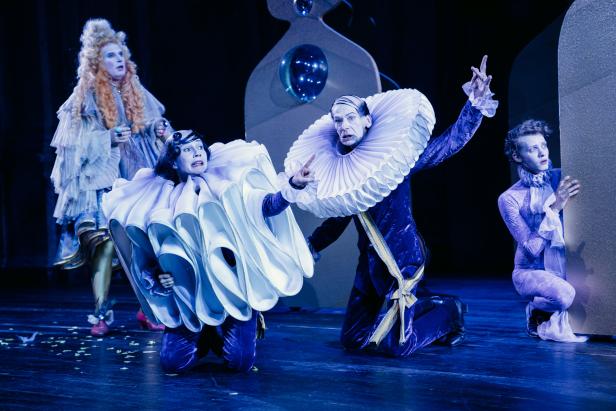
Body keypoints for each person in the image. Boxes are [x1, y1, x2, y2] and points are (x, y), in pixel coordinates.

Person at [287, 55, 497, 356]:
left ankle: (450, 312)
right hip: (369, 264)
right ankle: (422, 305)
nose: (344, 126)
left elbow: (446, 145)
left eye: (351, 118)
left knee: (399, 347)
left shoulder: (393, 162)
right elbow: (338, 218)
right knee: (352, 341)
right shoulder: (343, 173)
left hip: (402, 261)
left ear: (366, 120)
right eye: (339, 120)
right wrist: (311, 246)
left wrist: (474, 105)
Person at [103, 130, 315, 372]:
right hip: (189, 296)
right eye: (188, 150)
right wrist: (157, 276)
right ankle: (205, 334)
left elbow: (265, 206)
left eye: (199, 147)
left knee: (240, 363)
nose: (197, 153)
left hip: (233, 289)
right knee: (173, 363)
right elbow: (145, 252)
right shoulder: (159, 197)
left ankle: (230, 329)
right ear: (173, 160)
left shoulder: (225, 183)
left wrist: (294, 185)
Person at [50, 19, 171, 336]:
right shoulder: (85, 97)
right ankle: (101, 313)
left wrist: (161, 131)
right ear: (96, 63)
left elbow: (157, 129)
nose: (119, 60)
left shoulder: (137, 91)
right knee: (104, 246)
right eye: (110, 56)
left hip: (136, 176)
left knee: (142, 246)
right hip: (103, 179)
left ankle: (148, 309)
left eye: (121, 54)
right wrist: (106, 140)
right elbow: (72, 146)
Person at [497, 120, 587, 342]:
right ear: (518, 156)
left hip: (565, 263)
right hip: (529, 270)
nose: (542, 153)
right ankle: (536, 310)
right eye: (532, 149)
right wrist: (555, 207)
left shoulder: (560, 178)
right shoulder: (509, 198)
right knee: (566, 295)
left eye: (543, 146)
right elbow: (531, 250)